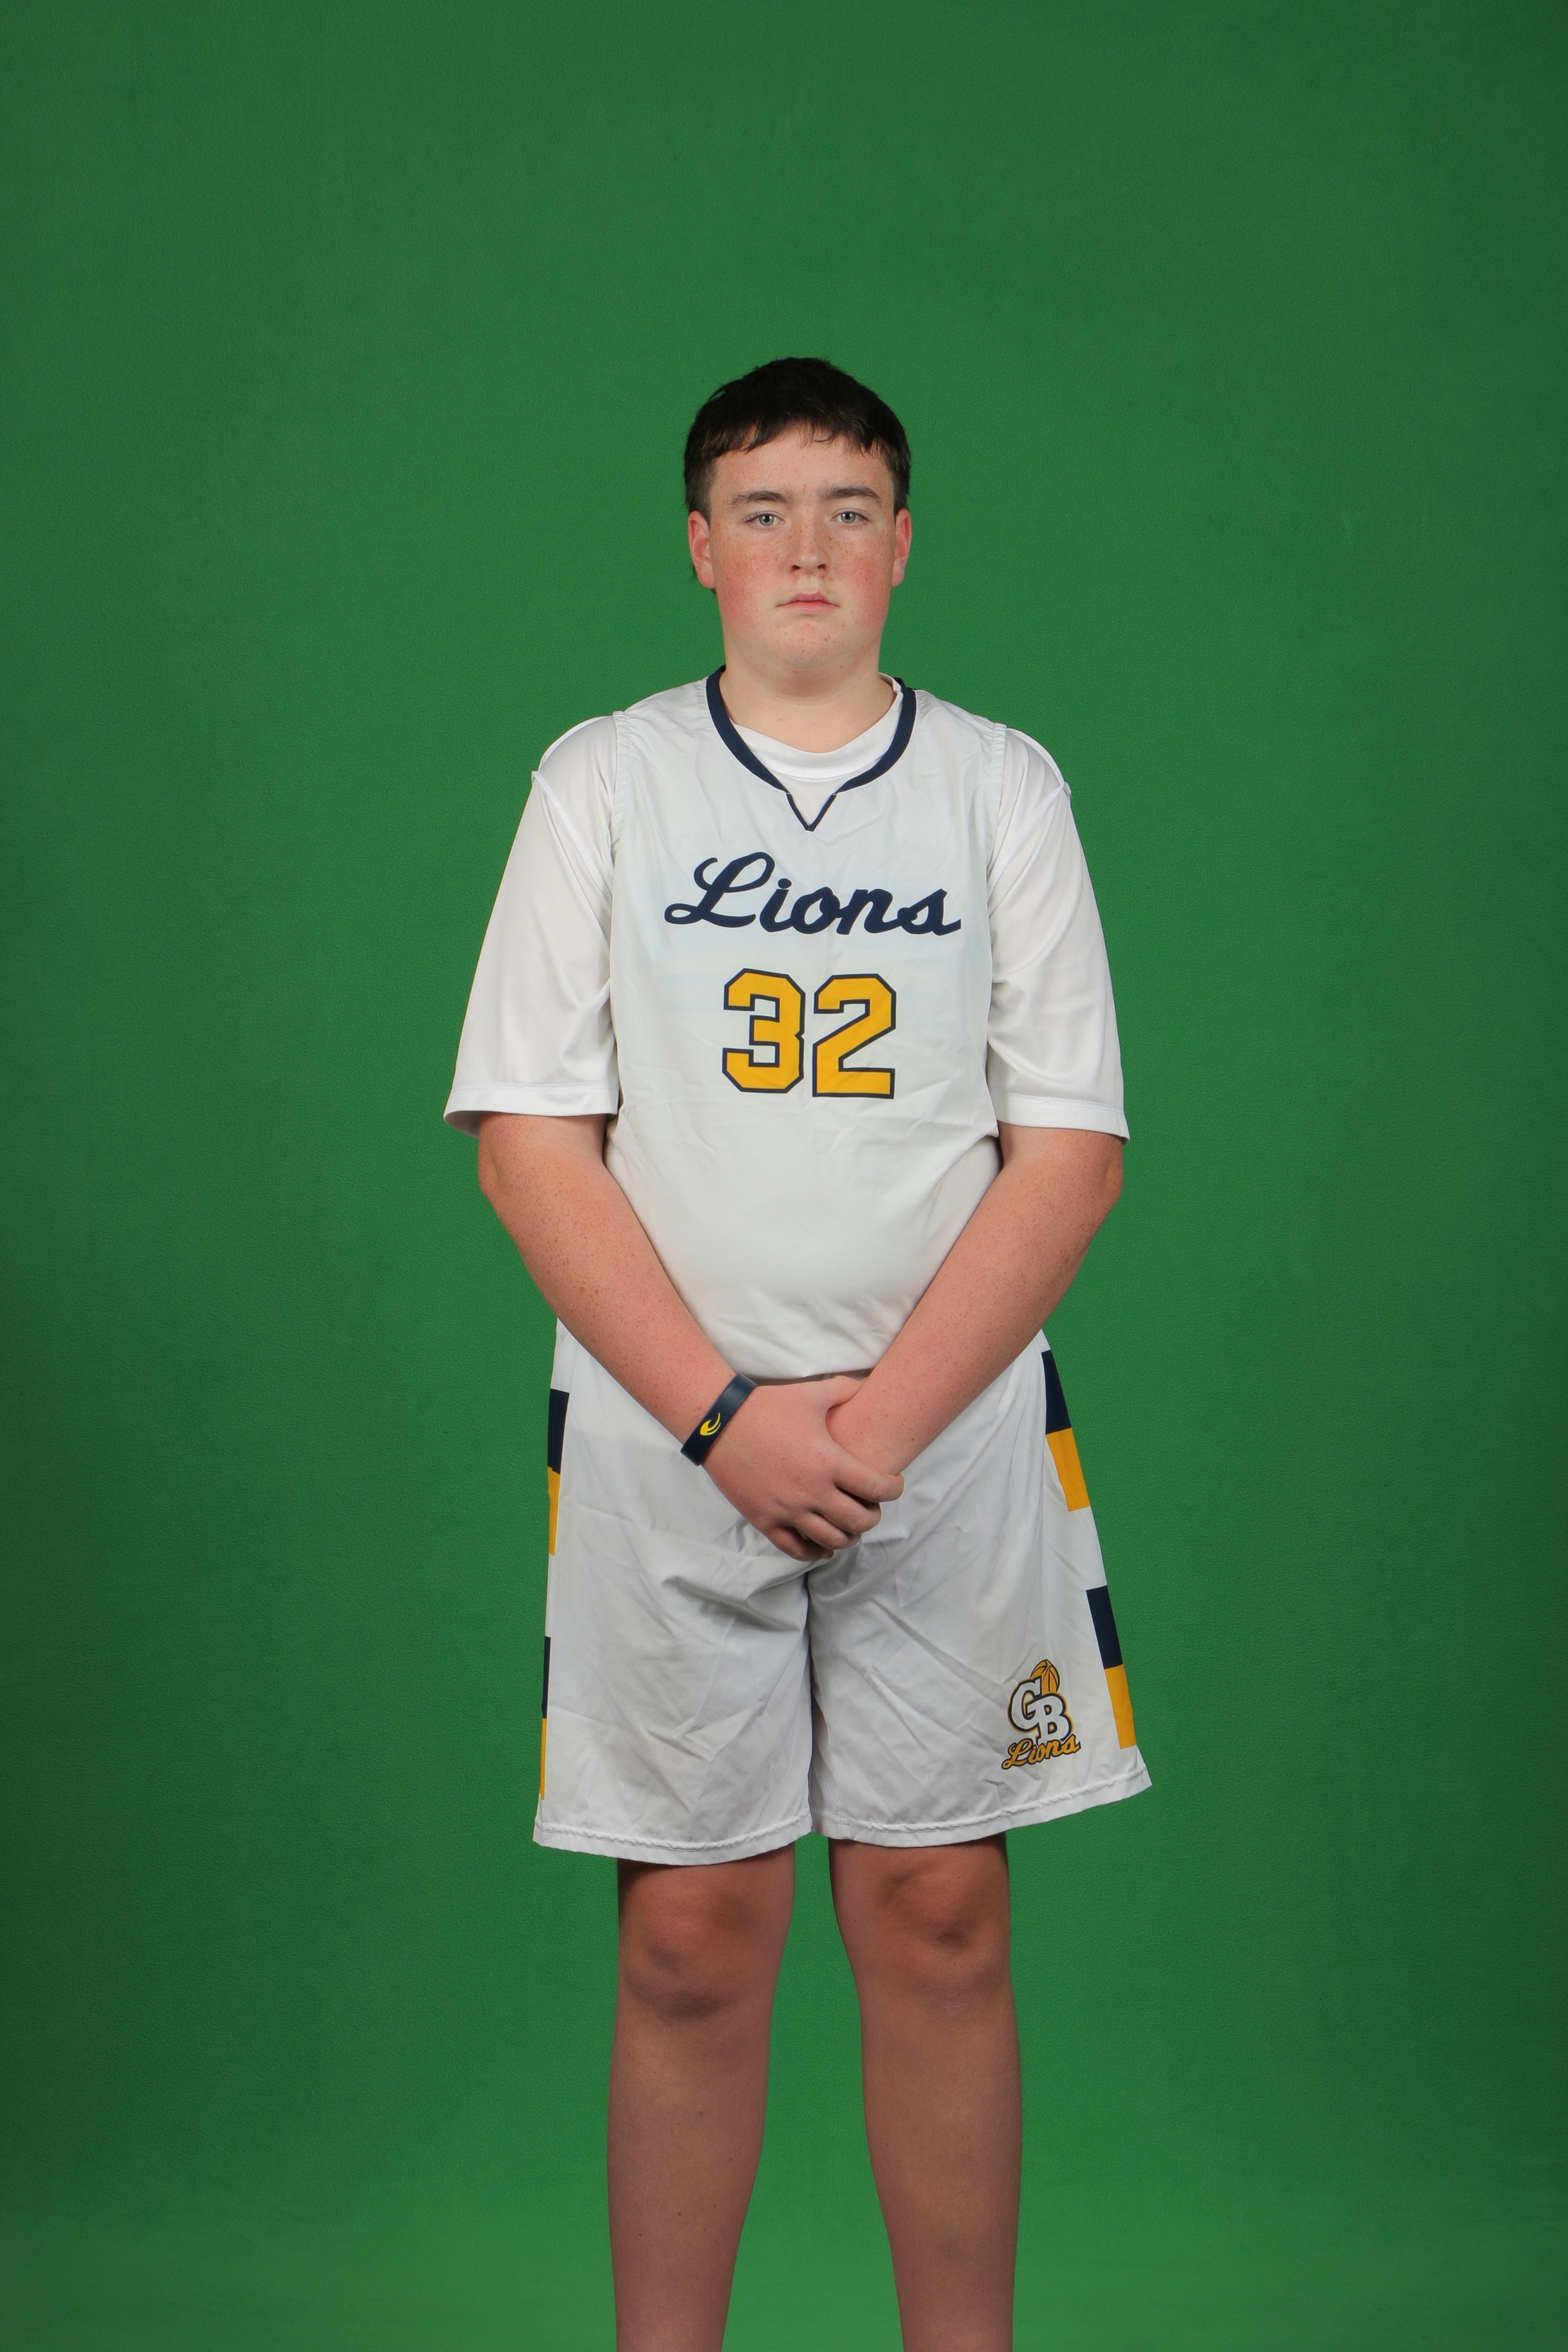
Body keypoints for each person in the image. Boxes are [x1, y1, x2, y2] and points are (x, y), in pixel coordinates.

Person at [445, 356, 1149, 2352]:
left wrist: (879, 1428)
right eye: (764, 512)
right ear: (701, 547)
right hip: (672, 1437)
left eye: (849, 510)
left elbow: (1071, 1153)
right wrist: (729, 1420)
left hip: (955, 1440)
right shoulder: (605, 779)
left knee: (941, 1912)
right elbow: (528, 1142)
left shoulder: (1001, 784)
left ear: (903, 545)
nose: (808, 548)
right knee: (690, 1926)